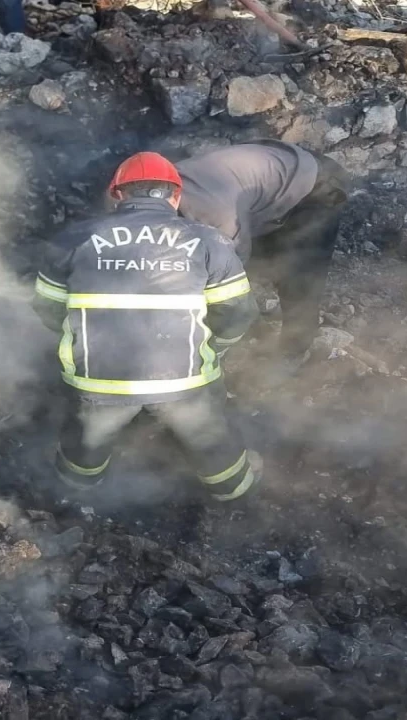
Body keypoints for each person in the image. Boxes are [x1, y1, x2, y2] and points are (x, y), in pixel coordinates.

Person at [32, 152, 262, 502]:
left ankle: (76, 495)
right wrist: (216, 349)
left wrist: (81, 337)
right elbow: (237, 313)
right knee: (209, 436)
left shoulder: (72, 240)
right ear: (175, 196)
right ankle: (234, 490)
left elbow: (47, 309)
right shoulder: (209, 242)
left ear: (118, 195)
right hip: (183, 381)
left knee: (86, 444)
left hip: (99, 379)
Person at [174, 140, 350, 364]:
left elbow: (231, 278)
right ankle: (257, 329)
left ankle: (292, 353)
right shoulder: (133, 202)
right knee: (258, 265)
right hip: (265, 186)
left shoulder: (218, 218)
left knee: (298, 279)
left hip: (315, 187)